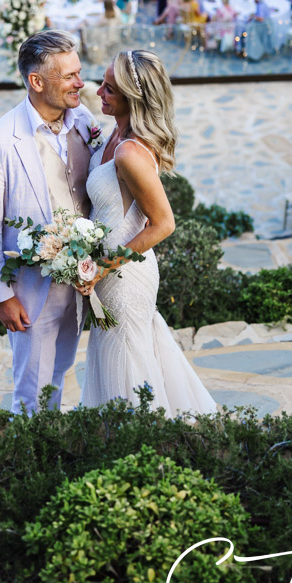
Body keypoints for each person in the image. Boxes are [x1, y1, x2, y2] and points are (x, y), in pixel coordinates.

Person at [79, 50, 217, 417]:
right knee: (120, 355)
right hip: (108, 273)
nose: (99, 91)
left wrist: (104, 267)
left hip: (124, 275)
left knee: (127, 360)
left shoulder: (130, 152)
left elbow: (163, 224)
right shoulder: (115, 132)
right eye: (102, 82)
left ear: (132, 98)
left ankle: (140, 440)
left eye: (110, 88)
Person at [0, 30, 97, 413]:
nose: (80, 82)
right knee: (32, 387)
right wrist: (1, 295)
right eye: (70, 76)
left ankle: (50, 442)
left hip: (79, 282)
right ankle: (30, 455)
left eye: (79, 72)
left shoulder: (85, 120)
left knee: (61, 369)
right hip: (30, 291)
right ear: (36, 81)